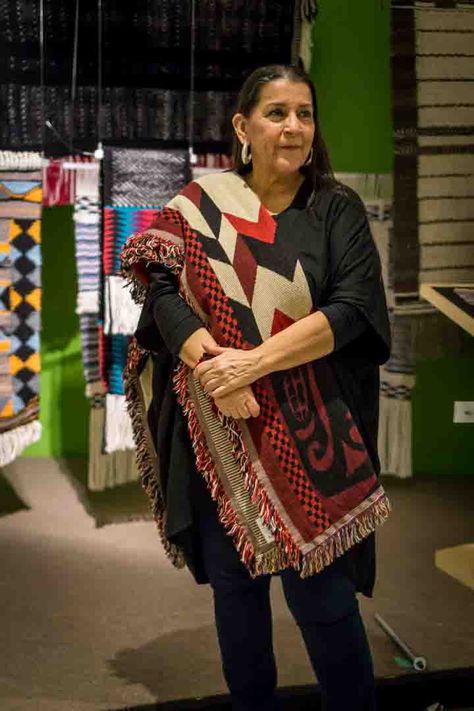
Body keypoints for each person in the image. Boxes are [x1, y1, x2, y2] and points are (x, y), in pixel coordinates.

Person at [121, 64, 391, 711]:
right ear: (243, 126)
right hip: (222, 442)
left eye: (305, 112)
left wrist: (252, 366)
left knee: (323, 598)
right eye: (277, 112)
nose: (294, 126)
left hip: (313, 441)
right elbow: (160, 285)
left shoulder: (335, 209)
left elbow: (354, 310)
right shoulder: (200, 204)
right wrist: (212, 366)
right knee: (238, 596)